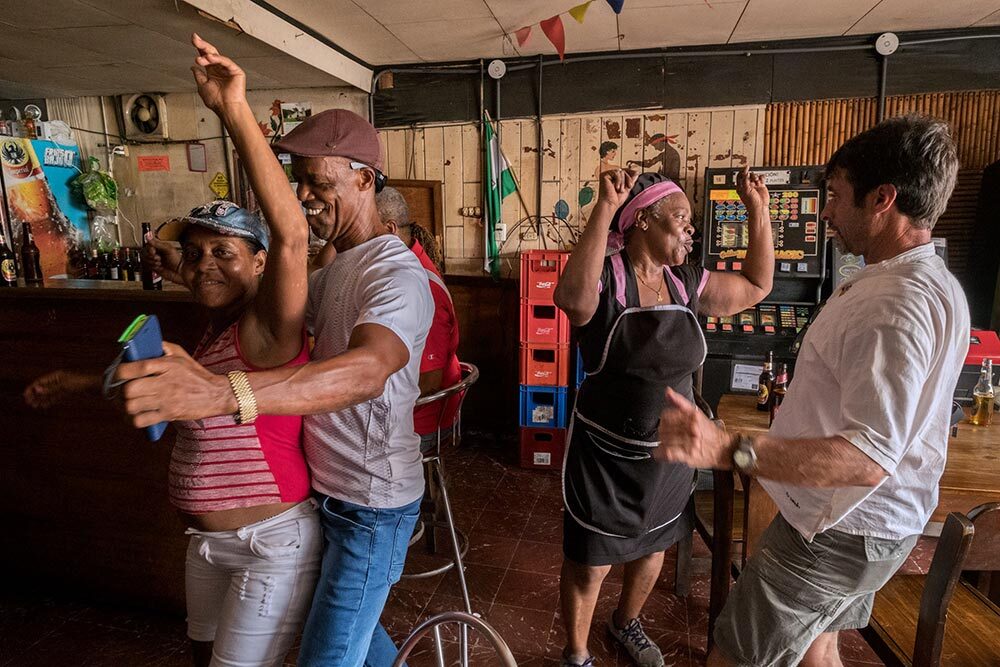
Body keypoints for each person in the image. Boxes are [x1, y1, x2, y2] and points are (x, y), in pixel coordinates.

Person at [115, 41, 434, 667]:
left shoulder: (395, 276)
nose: (307, 196)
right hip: (327, 496)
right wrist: (189, 270)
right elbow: (266, 291)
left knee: (326, 657)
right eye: (302, 183)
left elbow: (368, 371)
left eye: (319, 183)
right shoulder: (339, 268)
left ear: (364, 178)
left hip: (371, 507)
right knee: (359, 644)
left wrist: (222, 392)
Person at [26, 33, 317, 667]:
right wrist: (77, 383)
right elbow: (164, 359)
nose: (203, 264)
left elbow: (293, 237)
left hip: (270, 543)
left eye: (224, 252)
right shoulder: (214, 327)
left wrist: (233, 110)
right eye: (194, 252)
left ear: (260, 263)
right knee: (199, 655)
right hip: (205, 545)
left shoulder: (270, 330)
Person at [656, 114, 969, 667]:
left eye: (836, 196)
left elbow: (866, 456)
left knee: (734, 657)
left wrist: (728, 447)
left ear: (882, 198)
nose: (824, 211)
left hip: (839, 529)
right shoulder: (934, 281)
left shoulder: (893, 306)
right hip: (881, 522)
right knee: (818, 649)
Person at [553, 165, 773, 667]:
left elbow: (757, 284)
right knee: (591, 563)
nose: (690, 229)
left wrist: (757, 208)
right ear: (644, 222)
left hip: (668, 456)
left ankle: (625, 623)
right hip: (607, 458)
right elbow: (571, 300)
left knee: (653, 549)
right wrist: (604, 207)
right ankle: (577, 653)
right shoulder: (606, 277)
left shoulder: (686, 282)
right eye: (680, 217)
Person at [375, 186, 461, 450]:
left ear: (390, 230)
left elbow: (429, 381)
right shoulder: (401, 269)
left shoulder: (423, 287)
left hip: (421, 420)